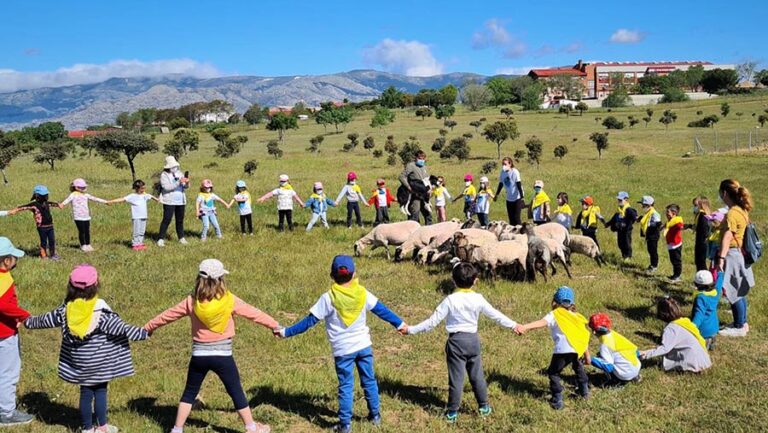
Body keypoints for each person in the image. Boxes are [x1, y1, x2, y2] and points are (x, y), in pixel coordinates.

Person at [144, 259, 278, 433]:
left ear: (198, 280)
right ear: (221, 280)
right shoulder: (230, 300)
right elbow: (253, 313)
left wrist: (148, 328)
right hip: (223, 357)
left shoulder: (191, 301)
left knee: (189, 393)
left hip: (199, 357)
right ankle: (251, 427)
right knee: (236, 391)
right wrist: (274, 325)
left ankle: (177, 429)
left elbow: (167, 315)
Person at [275, 255, 406, 433]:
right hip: (363, 346)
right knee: (369, 380)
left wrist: (285, 332)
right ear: (354, 274)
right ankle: (375, 416)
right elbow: (382, 310)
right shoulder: (362, 293)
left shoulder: (328, 298)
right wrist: (399, 323)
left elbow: (308, 322)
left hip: (343, 351)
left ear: (332, 275)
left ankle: (345, 425)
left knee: (346, 386)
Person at [24, 264, 149, 433]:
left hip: (80, 364)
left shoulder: (66, 310)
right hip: (100, 364)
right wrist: (143, 332)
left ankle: (87, 429)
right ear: (96, 285)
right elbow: (122, 328)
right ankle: (102, 427)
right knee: (100, 392)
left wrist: (28, 321)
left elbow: (45, 319)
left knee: (85, 393)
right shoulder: (101, 311)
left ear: (70, 287)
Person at [401, 263, 522, 423]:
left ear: (453, 280)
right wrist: (514, 325)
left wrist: (410, 330)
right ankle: (484, 407)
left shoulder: (450, 300)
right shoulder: (478, 298)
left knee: (456, 378)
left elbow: (432, 322)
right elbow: (495, 314)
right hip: (473, 341)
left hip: (456, 342)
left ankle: (452, 412)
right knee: (477, 376)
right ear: (476, 281)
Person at [517, 286, 590, 410]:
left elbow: (542, 322)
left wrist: (525, 327)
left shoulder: (555, 314)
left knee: (553, 373)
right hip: (577, 349)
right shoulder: (577, 316)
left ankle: (557, 399)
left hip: (562, 350)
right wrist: (587, 355)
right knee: (578, 367)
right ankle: (584, 392)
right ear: (572, 302)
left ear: (555, 301)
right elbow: (583, 337)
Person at [0, 237, 33, 427]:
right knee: (8, 373)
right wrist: (23, 315)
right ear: (6, 261)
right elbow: (3, 306)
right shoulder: (4, 280)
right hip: (4, 334)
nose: (16, 261)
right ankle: (6, 413)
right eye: (14, 257)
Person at [716, 179, 755, 338]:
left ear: (725, 193)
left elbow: (728, 236)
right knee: (739, 289)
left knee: (733, 290)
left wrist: (721, 257)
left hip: (732, 253)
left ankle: (739, 326)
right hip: (739, 252)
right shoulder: (741, 210)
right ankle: (742, 322)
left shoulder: (732, 212)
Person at [639, 297, 711, 373]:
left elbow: (664, 349)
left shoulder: (671, 329)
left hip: (693, 364)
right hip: (703, 360)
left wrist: (644, 354)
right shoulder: (684, 322)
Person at [585, 313, 641, 386]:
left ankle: (615, 382)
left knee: (602, 359)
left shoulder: (605, 345)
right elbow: (636, 352)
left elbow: (608, 367)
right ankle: (635, 377)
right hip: (637, 366)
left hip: (624, 375)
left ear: (595, 331)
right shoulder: (614, 334)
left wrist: (591, 359)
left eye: (592, 329)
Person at [107, 180, 159, 251]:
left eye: (144, 188)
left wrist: (157, 199)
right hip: (136, 217)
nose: (143, 189)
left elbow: (151, 196)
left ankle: (140, 243)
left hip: (144, 216)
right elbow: (122, 199)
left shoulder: (144, 195)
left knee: (142, 231)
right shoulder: (132, 196)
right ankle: (135, 244)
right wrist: (112, 201)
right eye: (142, 188)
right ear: (137, 188)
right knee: (136, 231)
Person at [59, 178, 108, 252]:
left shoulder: (86, 195)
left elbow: (95, 198)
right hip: (78, 217)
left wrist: (106, 202)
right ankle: (83, 245)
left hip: (86, 216)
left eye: (84, 187)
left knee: (87, 231)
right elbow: (67, 200)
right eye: (82, 187)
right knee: (81, 231)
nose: (84, 188)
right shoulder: (73, 195)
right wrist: (62, 204)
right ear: (76, 187)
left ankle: (88, 244)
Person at [13, 185, 61, 260]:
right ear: (37, 196)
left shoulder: (47, 203)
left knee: (52, 240)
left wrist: (58, 205)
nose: (46, 197)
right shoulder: (34, 205)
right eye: (44, 195)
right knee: (44, 241)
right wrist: (16, 209)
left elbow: (52, 203)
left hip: (50, 226)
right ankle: (43, 255)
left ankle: (53, 254)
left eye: (46, 195)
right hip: (41, 227)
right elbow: (24, 207)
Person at [157, 156, 190, 247]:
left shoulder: (180, 173)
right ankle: (160, 239)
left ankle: (181, 237)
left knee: (180, 220)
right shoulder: (164, 175)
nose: (174, 168)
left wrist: (186, 182)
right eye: (172, 166)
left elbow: (185, 187)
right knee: (166, 219)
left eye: (175, 166)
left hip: (180, 200)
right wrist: (178, 182)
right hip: (169, 201)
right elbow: (166, 187)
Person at [398, 151, 432, 225]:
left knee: (428, 213)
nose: (422, 160)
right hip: (415, 193)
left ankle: (429, 231)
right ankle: (413, 232)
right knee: (415, 212)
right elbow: (401, 177)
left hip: (424, 192)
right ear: (415, 158)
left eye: (423, 158)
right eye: (420, 158)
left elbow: (427, 179)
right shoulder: (411, 165)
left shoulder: (424, 167)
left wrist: (429, 189)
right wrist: (408, 187)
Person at [691, 270, 721, 350]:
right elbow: (719, 284)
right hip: (714, 329)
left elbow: (699, 315)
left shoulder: (701, 298)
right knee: (711, 341)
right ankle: (712, 343)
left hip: (703, 332)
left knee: (698, 350)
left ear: (698, 285)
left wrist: (691, 327)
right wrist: (721, 273)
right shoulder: (715, 292)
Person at [605, 192, 637, 261]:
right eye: (618, 200)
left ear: (626, 200)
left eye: (620, 200)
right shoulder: (619, 210)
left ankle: (628, 256)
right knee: (620, 243)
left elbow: (634, 216)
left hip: (626, 230)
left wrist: (636, 219)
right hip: (619, 230)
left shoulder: (628, 210)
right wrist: (608, 224)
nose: (619, 201)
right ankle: (624, 255)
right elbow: (614, 218)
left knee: (627, 243)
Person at [494, 157, 524, 225]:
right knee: (511, 219)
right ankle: (512, 234)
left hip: (517, 198)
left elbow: (519, 185)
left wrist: (522, 198)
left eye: (505, 164)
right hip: (509, 198)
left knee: (517, 218)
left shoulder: (515, 172)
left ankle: (521, 234)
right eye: (502, 164)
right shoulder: (502, 172)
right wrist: (497, 195)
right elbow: (501, 184)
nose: (503, 166)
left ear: (510, 164)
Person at [686, 196, 712, 271]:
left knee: (700, 262)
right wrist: (689, 226)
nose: (694, 208)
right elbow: (699, 228)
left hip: (702, 242)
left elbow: (704, 230)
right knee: (699, 262)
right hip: (700, 241)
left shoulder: (703, 216)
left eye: (695, 205)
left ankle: (703, 279)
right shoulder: (701, 216)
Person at [637, 196, 662, 273]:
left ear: (649, 205)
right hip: (649, 235)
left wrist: (650, 225)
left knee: (653, 250)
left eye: (644, 205)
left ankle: (654, 266)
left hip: (653, 235)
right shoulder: (648, 213)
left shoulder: (654, 213)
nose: (642, 207)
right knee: (650, 250)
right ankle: (652, 264)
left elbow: (658, 224)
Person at [664, 204, 684, 282]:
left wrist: (684, 227)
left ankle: (677, 276)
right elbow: (667, 225)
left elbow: (680, 226)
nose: (666, 214)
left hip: (676, 245)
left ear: (674, 213)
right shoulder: (670, 221)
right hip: (671, 244)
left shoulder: (677, 221)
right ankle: (675, 274)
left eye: (668, 212)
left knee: (676, 261)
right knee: (673, 260)